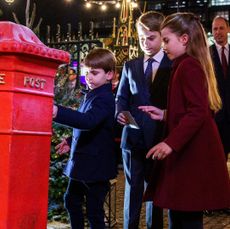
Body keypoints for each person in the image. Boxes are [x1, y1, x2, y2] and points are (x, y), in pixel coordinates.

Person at [139, 12, 230, 229]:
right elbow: (193, 109)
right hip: (191, 152)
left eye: (167, 40)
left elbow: (198, 112)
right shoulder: (187, 63)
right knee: (181, 214)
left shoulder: (187, 66)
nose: (164, 46)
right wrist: (164, 114)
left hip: (190, 154)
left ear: (184, 39)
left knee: (185, 218)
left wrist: (169, 143)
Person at [116, 11, 172, 229]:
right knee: (132, 189)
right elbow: (121, 96)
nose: (146, 43)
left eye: (151, 38)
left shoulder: (173, 64)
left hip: (160, 136)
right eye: (141, 39)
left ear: (162, 36)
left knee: (155, 190)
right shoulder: (131, 66)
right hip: (133, 137)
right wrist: (119, 112)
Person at [53, 48, 117, 229]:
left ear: (109, 74)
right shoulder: (93, 93)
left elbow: (88, 121)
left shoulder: (104, 97)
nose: (88, 77)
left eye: (94, 73)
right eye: (86, 72)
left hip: (96, 166)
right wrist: (68, 141)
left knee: (94, 211)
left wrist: (58, 111)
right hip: (84, 163)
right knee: (71, 201)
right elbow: (89, 127)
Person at [210, 16, 230, 161]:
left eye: (221, 28)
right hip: (216, 116)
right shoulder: (205, 54)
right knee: (218, 159)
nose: (218, 32)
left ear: (228, 29)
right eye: (215, 29)